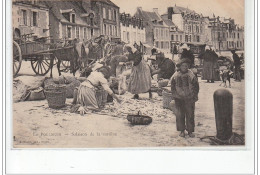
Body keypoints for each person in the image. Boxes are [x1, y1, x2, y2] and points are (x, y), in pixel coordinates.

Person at [170, 58, 199, 138]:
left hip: (189, 98)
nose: (184, 67)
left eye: (186, 66)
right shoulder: (176, 75)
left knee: (190, 114)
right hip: (179, 98)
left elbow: (196, 86)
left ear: (188, 67)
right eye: (183, 66)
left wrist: (194, 95)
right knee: (180, 115)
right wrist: (175, 95)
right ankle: (182, 130)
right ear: (180, 67)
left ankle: (190, 131)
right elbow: (172, 86)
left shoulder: (191, 75)